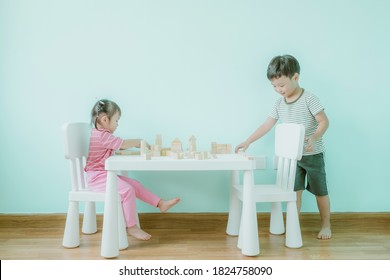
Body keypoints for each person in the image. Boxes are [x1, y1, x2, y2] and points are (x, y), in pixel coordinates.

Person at [235, 55, 331, 240]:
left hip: (313, 155)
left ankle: (326, 224)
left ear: (295, 78)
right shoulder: (279, 104)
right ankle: (293, 224)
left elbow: (324, 122)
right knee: (294, 193)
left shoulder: (309, 99)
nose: (278, 90)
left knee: (320, 192)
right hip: (292, 159)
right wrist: (248, 141)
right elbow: (266, 125)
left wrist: (314, 137)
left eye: (282, 85)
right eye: (274, 86)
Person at [84, 99, 180, 241]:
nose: (117, 125)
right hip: (97, 178)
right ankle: (131, 227)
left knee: (134, 184)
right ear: (105, 120)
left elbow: (116, 146)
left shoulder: (100, 135)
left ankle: (161, 203)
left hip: (102, 175)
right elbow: (122, 144)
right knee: (127, 190)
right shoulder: (102, 136)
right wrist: (138, 142)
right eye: (116, 120)